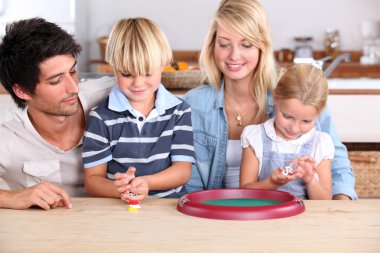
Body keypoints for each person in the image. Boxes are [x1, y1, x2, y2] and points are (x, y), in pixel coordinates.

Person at [183, 0, 357, 200]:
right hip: (216, 213)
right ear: (213, 45)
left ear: (262, 46)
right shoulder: (193, 105)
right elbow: (190, 183)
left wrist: (341, 207)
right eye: (224, 44)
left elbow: (337, 163)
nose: (234, 55)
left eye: (246, 44)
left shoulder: (297, 94)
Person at [0, 18, 116, 210]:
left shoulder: (110, 95)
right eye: (56, 81)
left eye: (73, 72)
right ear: (22, 91)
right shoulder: (7, 136)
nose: (73, 88)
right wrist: (11, 198)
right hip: (48, 235)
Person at [82, 18, 195, 203]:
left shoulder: (179, 112)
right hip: (117, 209)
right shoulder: (101, 117)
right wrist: (121, 189)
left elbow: (182, 171)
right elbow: (93, 181)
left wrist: (145, 183)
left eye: (148, 73)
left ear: (163, 64)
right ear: (114, 67)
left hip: (167, 208)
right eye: (126, 74)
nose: (138, 83)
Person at [240, 64, 333, 199]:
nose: (294, 128)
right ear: (276, 99)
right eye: (288, 117)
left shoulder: (321, 143)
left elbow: (326, 200)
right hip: (265, 217)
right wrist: (271, 183)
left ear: (319, 113)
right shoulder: (255, 137)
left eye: (306, 121)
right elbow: (244, 192)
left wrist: (310, 179)